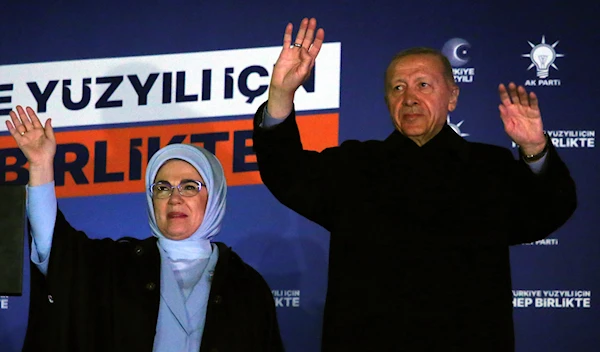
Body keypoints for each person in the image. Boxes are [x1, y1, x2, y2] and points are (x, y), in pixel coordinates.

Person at [252, 18, 576, 351]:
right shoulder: (353, 167)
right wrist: (280, 94)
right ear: (386, 100)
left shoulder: (489, 168)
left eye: (423, 85)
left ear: (452, 96)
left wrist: (535, 149)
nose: (409, 98)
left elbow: (550, 210)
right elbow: (286, 173)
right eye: (398, 87)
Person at [6, 106, 284, 352]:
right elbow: (55, 249)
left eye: (189, 186)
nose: (175, 198)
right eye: (162, 188)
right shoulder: (116, 266)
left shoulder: (247, 285)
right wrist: (41, 166)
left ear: (214, 196)